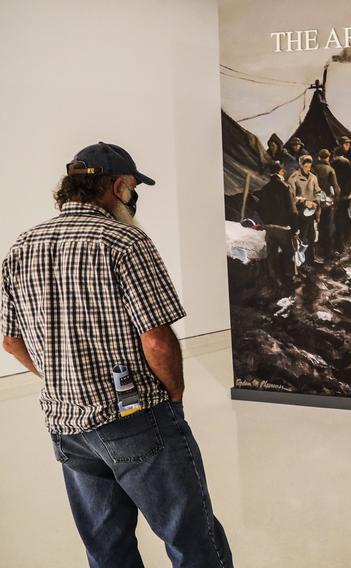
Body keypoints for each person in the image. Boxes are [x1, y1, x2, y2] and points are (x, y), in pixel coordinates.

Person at [0, 142, 232, 567]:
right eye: (133, 188)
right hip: (135, 415)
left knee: (107, 549)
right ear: (119, 186)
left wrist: (56, 377)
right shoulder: (124, 240)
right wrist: (175, 390)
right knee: (192, 538)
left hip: (66, 424)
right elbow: (157, 339)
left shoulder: (21, 246)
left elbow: (10, 341)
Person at [257, 161, 298, 284]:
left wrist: (266, 222)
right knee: (289, 252)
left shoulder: (264, 188)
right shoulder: (286, 187)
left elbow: (259, 208)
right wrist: (295, 227)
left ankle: (273, 279)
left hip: (269, 227)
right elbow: (292, 210)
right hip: (283, 227)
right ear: (280, 172)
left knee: (272, 255)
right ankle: (289, 278)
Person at [288, 155, 321, 264]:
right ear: (301, 165)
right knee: (302, 237)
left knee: (311, 235)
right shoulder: (294, 177)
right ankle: (300, 262)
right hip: (299, 211)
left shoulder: (313, 177)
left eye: (309, 166)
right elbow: (291, 196)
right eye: (306, 166)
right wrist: (303, 201)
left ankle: (310, 260)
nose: (308, 168)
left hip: (311, 211)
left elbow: (318, 192)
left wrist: (316, 201)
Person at [312, 149, 340, 259]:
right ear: (328, 157)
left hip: (315, 200)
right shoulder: (330, 169)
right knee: (328, 226)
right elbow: (336, 187)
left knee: (316, 226)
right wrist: (336, 199)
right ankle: (328, 251)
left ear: (319, 157)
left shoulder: (314, 168)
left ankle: (317, 250)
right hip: (327, 201)